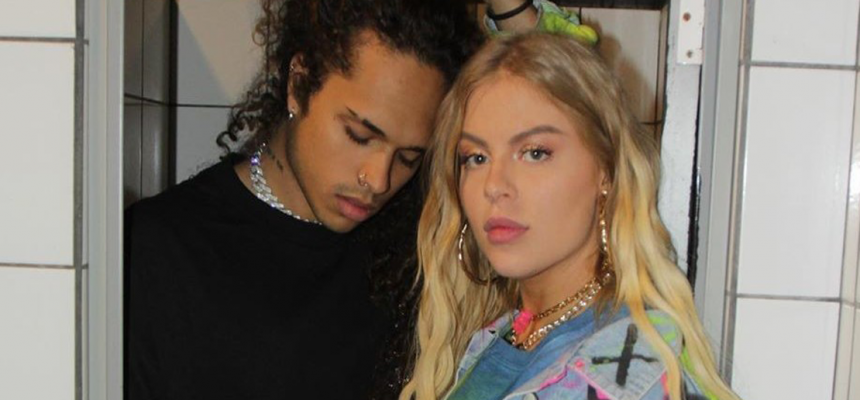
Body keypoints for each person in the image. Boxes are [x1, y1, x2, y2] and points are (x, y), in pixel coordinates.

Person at [125, 0, 482, 399]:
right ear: (298, 84)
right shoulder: (156, 250)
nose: (378, 179)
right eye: (359, 136)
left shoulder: (423, 249)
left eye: (408, 158)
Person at [401, 33, 741, 400]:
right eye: (476, 157)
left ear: (606, 171)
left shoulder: (621, 376)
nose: (494, 185)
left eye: (535, 153)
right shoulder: (510, 335)